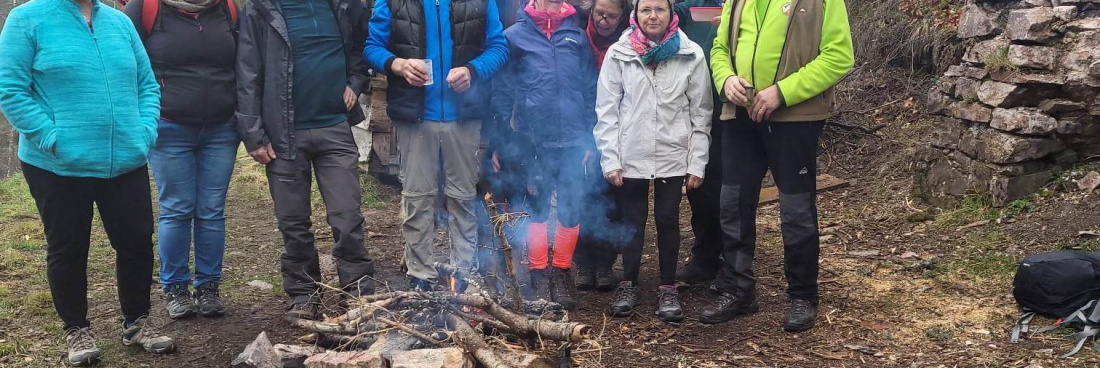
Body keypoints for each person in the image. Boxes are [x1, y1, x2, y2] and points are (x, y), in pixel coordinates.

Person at [0, 0, 178, 365]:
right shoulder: (27, 18)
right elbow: (11, 89)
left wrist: (143, 133)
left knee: (136, 244)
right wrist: (52, 138)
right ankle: (76, 330)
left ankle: (136, 323)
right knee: (67, 246)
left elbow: (147, 84)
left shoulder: (118, 22)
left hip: (125, 159)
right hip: (57, 164)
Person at [700, 0, 854, 332]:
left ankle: (802, 295)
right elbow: (720, 48)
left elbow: (839, 56)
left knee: (796, 210)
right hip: (740, 117)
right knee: (732, 204)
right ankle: (738, 288)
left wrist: (782, 93)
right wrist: (725, 79)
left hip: (795, 118)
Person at [236, 0, 375, 321]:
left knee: (347, 216)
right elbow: (247, 71)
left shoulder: (343, 4)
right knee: (293, 222)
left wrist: (355, 82)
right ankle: (303, 294)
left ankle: (357, 291)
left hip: (334, 127)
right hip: (282, 132)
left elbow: (361, 45)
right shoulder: (261, 8)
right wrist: (253, 133)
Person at [365, 0, 509, 291]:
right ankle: (421, 276)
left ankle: (464, 276)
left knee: (463, 197)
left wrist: (473, 70)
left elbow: (499, 47)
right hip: (415, 117)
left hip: (464, 117)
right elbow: (371, 47)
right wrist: (398, 64)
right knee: (418, 197)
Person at [594, 0, 713, 322]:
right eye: (646, 9)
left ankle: (667, 286)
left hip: (674, 151)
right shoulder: (620, 53)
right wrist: (611, 159)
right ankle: (628, 282)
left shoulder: (690, 54)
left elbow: (701, 112)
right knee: (632, 220)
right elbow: (606, 111)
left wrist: (696, 162)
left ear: (671, 14)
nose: (653, 16)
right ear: (635, 14)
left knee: (667, 219)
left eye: (660, 9)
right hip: (631, 150)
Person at [123, 0, 240, 320]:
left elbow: (244, 62)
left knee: (212, 209)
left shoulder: (227, 8)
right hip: (168, 126)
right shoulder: (144, 9)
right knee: (177, 207)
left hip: (221, 128)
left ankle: (208, 287)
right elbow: (125, 64)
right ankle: (175, 287)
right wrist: (142, 120)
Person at [491, 0, 598, 310]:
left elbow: (591, 90)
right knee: (535, 206)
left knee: (570, 205)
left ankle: (562, 271)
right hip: (531, 140)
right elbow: (502, 91)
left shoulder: (577, 36)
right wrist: (501, 140)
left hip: (573, 138)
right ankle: (539, 272)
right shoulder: (514, 36)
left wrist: (590, 137)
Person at [573, 0, 631, 293]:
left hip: (620, 130)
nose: (604, 21)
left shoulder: (630, 42)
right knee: (581, 195)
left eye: (612, 16)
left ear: (622, 17)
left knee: (612, 198)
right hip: (580, 126)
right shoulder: (576, 35)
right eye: (599, 14)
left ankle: (606, 263)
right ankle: (582, 261)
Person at [672, 0, 724, 287]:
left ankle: (733, 260)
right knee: (700, 186)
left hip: (735, 106)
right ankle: (705, 257)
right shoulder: (689, 9)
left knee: (731, 189)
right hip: (694, 108)